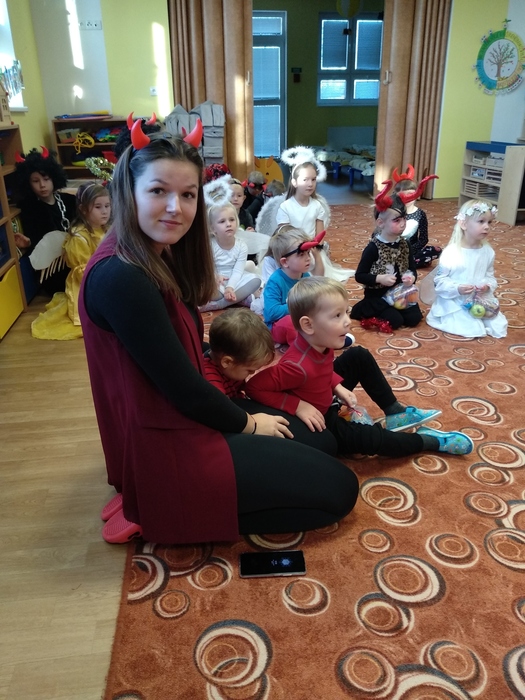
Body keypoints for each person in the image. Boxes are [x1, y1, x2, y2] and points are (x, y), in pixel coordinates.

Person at [79, 119, 359, 545]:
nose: (175, 207)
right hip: (173, 440)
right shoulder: (124, 276)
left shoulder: (152, 252)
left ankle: (164, 496)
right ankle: (163, 507)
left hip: (186, 415)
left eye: (187, 194)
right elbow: (183, 391)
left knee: (322, 444)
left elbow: (175, 352)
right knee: (340, 490)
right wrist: (247, 423)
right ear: (128, 191)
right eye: (158, 191)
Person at [246, 276, 474, 458]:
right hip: (322, 419)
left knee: (358, 355)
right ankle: (429, 441)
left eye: (346, 312)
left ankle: (395, 413)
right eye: (337, 315)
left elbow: (321, 370)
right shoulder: (295, 366)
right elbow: (254, 386)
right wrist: (297, 406)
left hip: (324, 395)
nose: (347, 321)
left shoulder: (321, 342)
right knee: (372, 439)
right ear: (308, 325)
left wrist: (336, 385)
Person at [350, 179, 435, 331]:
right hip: (378, 296)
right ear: (381, 223)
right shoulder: (373, 247)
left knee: (414, 319)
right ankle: (364, 308)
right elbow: (360, 275)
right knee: (395, 321)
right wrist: (379, 278)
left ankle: (394, 310)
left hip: (399, 293)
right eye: (396, 220)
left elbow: (411, 268)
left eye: (404, 219)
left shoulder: (405, 244)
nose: (403, 223)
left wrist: (411, 278)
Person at [31, 183, 111, 340]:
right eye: (98, 207)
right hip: (87, 281)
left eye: (107, 206)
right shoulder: (79, 237)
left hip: (104, 275)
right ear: (83, 209)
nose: (104, 211)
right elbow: (82, 269)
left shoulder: (106, 229)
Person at [426, 199, 508, 338]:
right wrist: (457, 288)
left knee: (498, 326)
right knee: (471, 328)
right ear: (463, 224)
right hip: (455, 300)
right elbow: (440, 281)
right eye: (481, 221)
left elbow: (490, 277)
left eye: (489, 222)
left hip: (479, 299)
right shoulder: (452, 252)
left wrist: (487, 286)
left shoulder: (488, 252)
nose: (487, 227)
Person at [14, 147, 77, 295]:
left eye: (46, 179)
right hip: (53, 269)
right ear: (28, 184)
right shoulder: (30, 209)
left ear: (54, 178)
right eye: (35, 181)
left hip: (75, 256)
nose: (42, 185)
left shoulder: (69, 200)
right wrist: (28, 243)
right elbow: (37, 240)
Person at [199, 202, 261, 312]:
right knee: (206, 290)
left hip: (235, 279)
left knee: (256, 280)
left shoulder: (241, 246)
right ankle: (240, 298)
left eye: (232, 220)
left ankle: (220, 304)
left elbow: (238, 271)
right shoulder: (209, 245)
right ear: (213, 228)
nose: (228, 224)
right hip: (216, 280)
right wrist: (215, 277)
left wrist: (230, 287)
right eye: (222, 221)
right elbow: (208, 267)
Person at [204, 308, 275, 397]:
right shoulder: (210, 381)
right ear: (227, 362)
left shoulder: (232, 368)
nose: (252, 373)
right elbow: (220, 405)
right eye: (250, 370)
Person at [392, 166, 441, 268]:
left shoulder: (420, 214)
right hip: (391, 249)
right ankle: (403, 263)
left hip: (412, 250)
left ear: (417, 194)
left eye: (410, 194)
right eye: (402, 196)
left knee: (436, 250)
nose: (407, 198)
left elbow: (423, 239)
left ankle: (404, 263)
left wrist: (408, 250)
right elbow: (379, 233)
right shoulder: (391, 212)